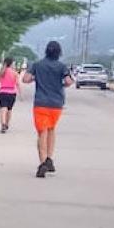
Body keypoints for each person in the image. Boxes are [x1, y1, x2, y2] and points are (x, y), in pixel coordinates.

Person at [22, 41, 73, 178]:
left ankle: (43, 162)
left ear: (46, 51)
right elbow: (68, 82)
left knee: (42, 133)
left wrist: (36, 78)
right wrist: (60, 85)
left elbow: (25, 79)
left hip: (41, 103)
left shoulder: (37, 65)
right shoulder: (62, 66)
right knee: (51, 129)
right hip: (56, 105)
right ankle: (49, 159)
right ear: (59, 52)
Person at [0, 57, 20, 133]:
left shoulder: (0, 72)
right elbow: (17, 84)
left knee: (3, 109)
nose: (14, 65)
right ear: (11, 64)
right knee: (9, 110)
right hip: (12, 94)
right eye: (13, 63)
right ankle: (6, 124)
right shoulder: (15, 73)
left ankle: (3, 124)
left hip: (2, 93)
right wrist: (20, 94)